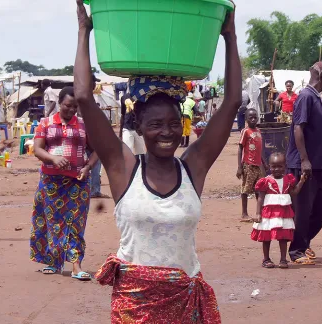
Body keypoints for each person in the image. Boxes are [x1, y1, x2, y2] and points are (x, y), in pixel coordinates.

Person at [74, 0, 240, 321]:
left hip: (184, 300)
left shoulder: (194, 166)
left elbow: (232, 101)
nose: (167, 132)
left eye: (174, 123)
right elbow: (83, 96)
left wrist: (229, 37)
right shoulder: (123, 168)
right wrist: (84, 31)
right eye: (155, 124)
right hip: (135, 305)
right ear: (138, 126)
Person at [30, 86, 98, 280]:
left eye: (74, 107)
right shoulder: (46, 123)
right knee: (53, 221)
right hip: (51, 181)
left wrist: (88, 167)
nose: (70, 110)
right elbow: (37, 149)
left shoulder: (84, 125)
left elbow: (96, 150)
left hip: (77, 180)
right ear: (59, 103)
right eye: (67, 105)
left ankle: (76, 265)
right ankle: (54, 261)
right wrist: (52, 158)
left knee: (76, 222)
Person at [285, 61, 322, 265]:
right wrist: (304, 160)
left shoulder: (316, 98)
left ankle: (303, 242)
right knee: (303, 209)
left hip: (320, 163)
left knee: (321, 207)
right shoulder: (306, 96)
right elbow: (298, 128)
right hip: (304, 163)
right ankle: (297, 250)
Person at [252, 152, 306, 269]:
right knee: (266, 236)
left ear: (285, 166)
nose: (276, 169)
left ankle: (283, 259)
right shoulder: (265, 181)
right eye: (273, 166)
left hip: (284, 213)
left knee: (283, 237)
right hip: (268, 213)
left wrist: (301, 181)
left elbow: (293, 193)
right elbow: (260, 198)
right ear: (269, 166)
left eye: (280, 166)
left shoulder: (288, 180)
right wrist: (258, 213)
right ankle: (266, 259)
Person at [236, 108, 264, 222]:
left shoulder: (258, 131)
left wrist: (264, 164)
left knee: (259, 189)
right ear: (246, 119)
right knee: (246, 189)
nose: (253, 119)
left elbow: (259, 150)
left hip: (258, 165)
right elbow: (240, 148)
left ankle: (259, 213)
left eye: (255, 117)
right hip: (248, 165)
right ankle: (244, 213)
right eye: (250, 117)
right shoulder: (245, 131)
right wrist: (239, 167)